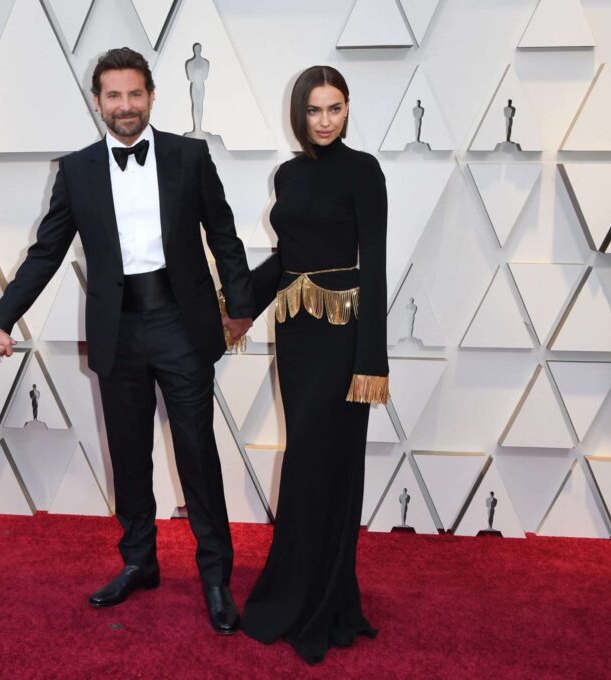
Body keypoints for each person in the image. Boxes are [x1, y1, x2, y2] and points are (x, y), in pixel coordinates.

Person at [0, 47, 254, 634]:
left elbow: (224, 236)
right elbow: (45, 254)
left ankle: (214, 575)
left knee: (196, 455)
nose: (124, 106)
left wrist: (242, 306)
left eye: (134, 94)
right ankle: (139, 562)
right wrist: (0, 319)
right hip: (118, 330)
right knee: (128, 456)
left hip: (181, 324)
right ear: (98, 101)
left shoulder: (189, 155)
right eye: (113, 96)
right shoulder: (76, 170)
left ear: (151, 97)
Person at [241, 65, 389, 663]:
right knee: (305, 459)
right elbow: (286, 259)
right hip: (296, 332)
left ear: (348, 109)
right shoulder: (288, 174)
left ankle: (320, 599)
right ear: (299, 114)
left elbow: (374, 266)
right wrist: (234, 301)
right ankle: (297, 590)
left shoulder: (364, 171)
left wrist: (371, 362)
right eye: (314, 110)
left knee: (318, 464)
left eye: (335, 108)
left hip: (343, 338)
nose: (325, 120)